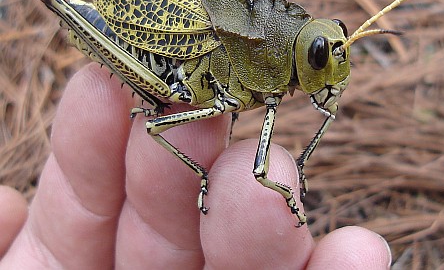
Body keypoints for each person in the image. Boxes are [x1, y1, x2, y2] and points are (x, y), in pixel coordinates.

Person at [0, 63, 391, 269]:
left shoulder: (271, 85)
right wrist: (206, 176)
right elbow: (258, 172)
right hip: (152, 54)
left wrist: (300, 165)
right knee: (155, 126)